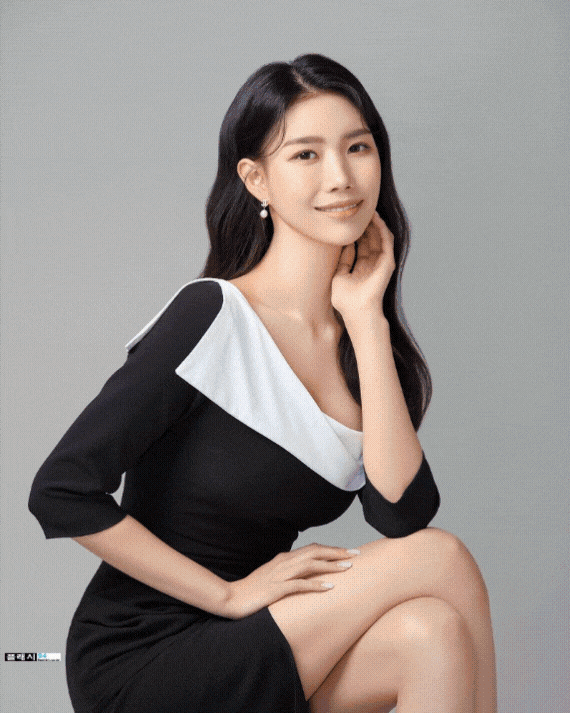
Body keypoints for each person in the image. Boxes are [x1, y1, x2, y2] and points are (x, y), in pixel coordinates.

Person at [28, 53, 497, 713]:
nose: (340, 177)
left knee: (432, 633)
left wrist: (365, 320)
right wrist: (229, 595)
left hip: (260, 636)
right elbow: (60, 491)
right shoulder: (213, 316)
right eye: (306, 155)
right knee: (440, 560)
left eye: (357, 148)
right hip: (145, 652)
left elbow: (402, 514)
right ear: (256, 180)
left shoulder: (364, 347)